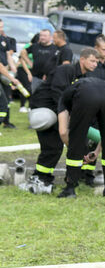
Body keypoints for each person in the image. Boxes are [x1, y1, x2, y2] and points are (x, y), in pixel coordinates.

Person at [20, 49, 100, 194]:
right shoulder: (66, 70)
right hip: (44, 110)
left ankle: (44, 178)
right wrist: (68, 116)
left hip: (58, 113)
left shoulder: (83, 76)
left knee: (55, 147)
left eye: (97, 62)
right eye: (92, 61)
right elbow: (58, 93)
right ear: (82, 59)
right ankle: (38, 178)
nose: (95, 64)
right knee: (52, 146)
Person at [55, 76, 105, 198]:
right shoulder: (104, 87)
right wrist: (96, 151)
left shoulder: (65, 98)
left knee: (76, 138)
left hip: (86, 95)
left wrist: (78, 151)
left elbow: (63, 132)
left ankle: (70, 189)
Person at [22, 28, 59, 93]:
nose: (42, 37)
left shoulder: (55, 48)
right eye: (41, 35)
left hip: (49, 78)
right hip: (36, 77)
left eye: (45, 36)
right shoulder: (35, 46)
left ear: (50, 37)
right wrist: (29, 62)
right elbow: (23, 52)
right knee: (34, 96)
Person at [0, 18, 17, 127]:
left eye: (2, 27)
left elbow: (8, 56)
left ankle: (6, 122)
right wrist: (12, 79)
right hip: (3, 72)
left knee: (6, 99)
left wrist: (14, 69)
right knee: (2, 102)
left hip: (4, 73)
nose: (1, 29)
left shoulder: (3, 39)